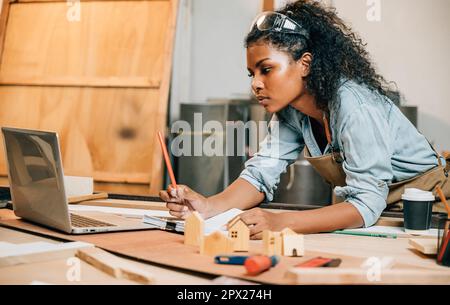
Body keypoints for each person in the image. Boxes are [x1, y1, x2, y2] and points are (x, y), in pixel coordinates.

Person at [160, 0, 450, 239]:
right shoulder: (292, 111)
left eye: (266, 69)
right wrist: (208, 207)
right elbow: (260, 174)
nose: (256, 84)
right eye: (252, 74)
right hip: (378, 218)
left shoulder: (354, 106)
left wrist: (278, 222)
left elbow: (364, 205)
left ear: (305, 64)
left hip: (429, 214)